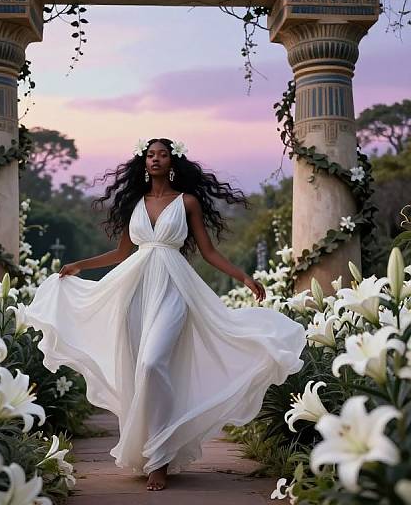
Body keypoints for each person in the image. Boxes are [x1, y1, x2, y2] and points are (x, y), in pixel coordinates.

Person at [24, 138, 307, 492]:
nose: (156, 159)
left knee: (153, 364)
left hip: (175, 289)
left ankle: (159, 459)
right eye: (150, 154)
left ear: (172, 162)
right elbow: (121, 252)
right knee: (139, 370)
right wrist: (80, 265)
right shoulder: (135, 204)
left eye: (162, 154)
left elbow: (208, 251)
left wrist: (243, 276)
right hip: (136, 290)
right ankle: (153, 451)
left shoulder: (187, 202)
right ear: (144, 162)